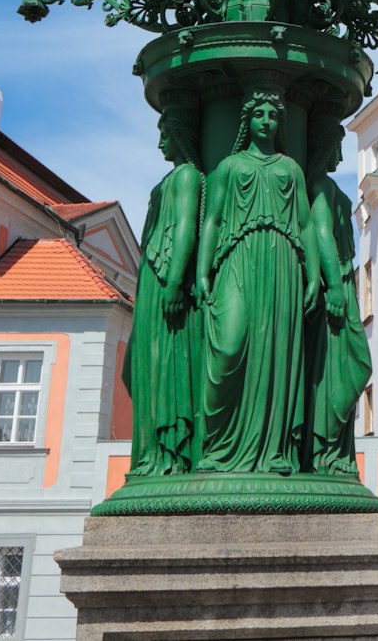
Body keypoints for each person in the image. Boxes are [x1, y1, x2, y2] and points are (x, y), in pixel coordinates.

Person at [197, 87, 320, 474]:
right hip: (237, 259)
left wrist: (314, 274)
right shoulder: (230, 167)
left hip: (283, 265)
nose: (267, 121)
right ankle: (218, 448)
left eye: (273, 115)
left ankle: (274, 449)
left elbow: (305, 223)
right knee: (230, 347)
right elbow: (213, 220)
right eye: (260, 114)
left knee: (277, 351)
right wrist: (203, 270)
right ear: (246, 121)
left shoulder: (290, 169)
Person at [123, 95, 203, 476]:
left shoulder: (188, 176)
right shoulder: (167, 180)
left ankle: (169, 453)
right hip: (151, 281)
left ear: (181, 133)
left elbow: (187, 226)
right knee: (147, 365)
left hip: (166, 280)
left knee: (167, 362)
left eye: (165, 133)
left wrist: (175, 281)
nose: (160, 143)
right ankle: (150, 452)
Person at [303, 118, 372, 476]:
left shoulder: (329, 186)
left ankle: (334, 452)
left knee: (351, 365)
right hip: (338, 287)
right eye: (334, 145)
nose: (339, 152)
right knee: (348, 365)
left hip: (346, 282)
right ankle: (323, 450)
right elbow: (320, 233)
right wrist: (333, 286)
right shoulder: (319, 186)